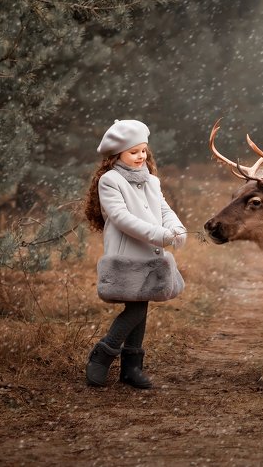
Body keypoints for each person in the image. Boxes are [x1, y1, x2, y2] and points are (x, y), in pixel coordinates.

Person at [83, 119, 186, 388]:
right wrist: (159, 234)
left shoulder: (151, 180)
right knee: (137, 305)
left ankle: (131, 368)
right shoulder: (110, 181)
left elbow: (163, 209)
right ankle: (104, 352)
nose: (141, 156)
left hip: (151, 253)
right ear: (117, 155)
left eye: (143, 151)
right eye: (134, 152)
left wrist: (175, 227)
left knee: (143, 301)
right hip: (126, 251)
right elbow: (121, 217)